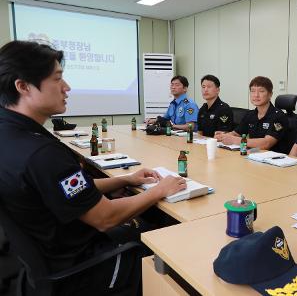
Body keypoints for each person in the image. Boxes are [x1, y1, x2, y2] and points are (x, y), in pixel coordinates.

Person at [0, 40, 187, 296]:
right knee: (171, 243)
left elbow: (66, 188)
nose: (67, 87)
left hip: (41, 261)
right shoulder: (41, 154)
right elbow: (105, 217)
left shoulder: (10, 135)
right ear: (22, 86)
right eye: (57, 79)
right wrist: (159, 190)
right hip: (80, 269)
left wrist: (125, 179)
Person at [216, 76, 289, 153]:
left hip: (274, 159)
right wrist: (223, 136)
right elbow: (236, 134)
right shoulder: (250, 114)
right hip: (254, 154)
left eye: (261, 91)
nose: (256, 95)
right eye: (253, 91)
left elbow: (267, 143)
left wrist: (236, 140)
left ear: (270, 94)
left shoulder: (279, 116)